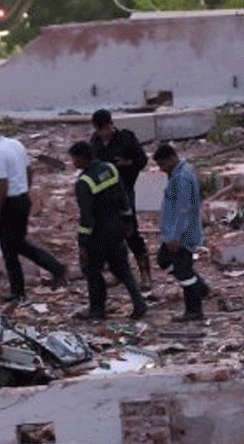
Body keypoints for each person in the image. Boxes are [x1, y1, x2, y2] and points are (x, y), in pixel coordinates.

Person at [68, 141, 147, 321]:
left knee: (92, 270)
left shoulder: (84, 182)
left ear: (82, 158)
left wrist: (82, 242)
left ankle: (97, 310)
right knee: (122, 269)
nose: (73, 163)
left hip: (98, 234)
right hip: (117, 227)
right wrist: (128, 220)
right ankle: (139, 303)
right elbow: (123, 196)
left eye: (74, 159)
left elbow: (87, 217)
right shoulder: (110, 169)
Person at [0, 132, 68, 304]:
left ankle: (54, 269)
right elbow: (28, 170)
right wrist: (25, 190)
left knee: (12, 247)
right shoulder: (15, 144)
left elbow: (2, 185)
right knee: (14, 245)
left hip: (9, 202)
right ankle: (19, 291)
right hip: (21, 199)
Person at [90, 109, 152, 289]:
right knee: (108, 236)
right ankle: (117, 272)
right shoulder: (95, 143)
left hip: (124, 192)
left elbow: (142, 160)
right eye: (100, 129)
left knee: (131, 232)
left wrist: (127, 163)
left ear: (111, 124)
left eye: (107, 128)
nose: (104, 132)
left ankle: (145, 274)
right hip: (103, 196)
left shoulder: (125, 138)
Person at [153, 143, 210, 322]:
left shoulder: (182, 178)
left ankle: (194, 310)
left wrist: (176, 236)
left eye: (163, 165)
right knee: (164, 260)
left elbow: (184, 209)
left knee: (184, 272)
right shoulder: (179, 173)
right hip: (173, 232)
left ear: (171, 158)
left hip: (181, 234)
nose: (161, 169)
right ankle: (200, 287)